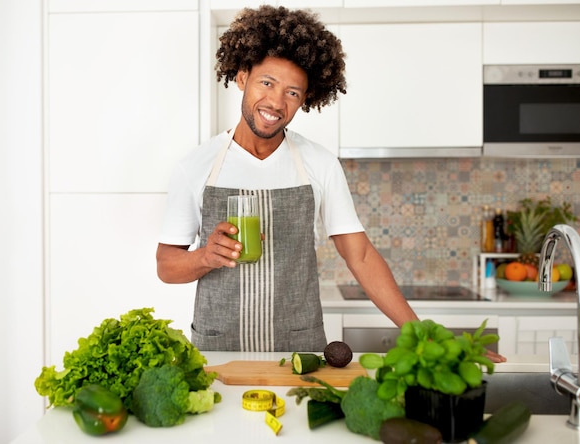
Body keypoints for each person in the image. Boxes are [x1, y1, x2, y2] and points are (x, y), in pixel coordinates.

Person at [156, 5, 505, 362]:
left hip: (299, 354)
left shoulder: (318, 163)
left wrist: (422, 336)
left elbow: (362, 255)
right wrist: (205, 256)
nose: (276, 102)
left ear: (305, 99)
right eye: (267, 83)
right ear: (242, 76)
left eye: (293, 92)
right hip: (218, 353)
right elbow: (166, 265)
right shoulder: (195, 166)